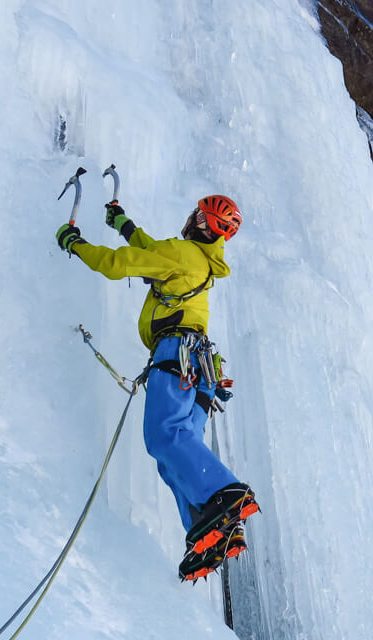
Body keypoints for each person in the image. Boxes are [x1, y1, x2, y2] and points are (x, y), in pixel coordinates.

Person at [55, 195, 259, 582]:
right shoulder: (196, 259)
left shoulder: (182, 254)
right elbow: (150, 250)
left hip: (176, 354)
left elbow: (120, 264)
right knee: (175, 453)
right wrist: (122, 223)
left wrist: (75, 243)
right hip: (201, 371)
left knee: (163, 436)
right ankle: (209, 528)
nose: (194, 217)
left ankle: (226, 495)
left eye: (201, 214)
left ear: (204, 224)